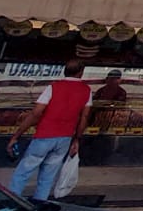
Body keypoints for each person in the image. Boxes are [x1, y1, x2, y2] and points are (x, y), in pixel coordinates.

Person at [7, 59, 92, 200]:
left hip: (44, 135)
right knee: (48, 177)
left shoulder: (53, 87)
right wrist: (77, 139)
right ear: (81, 73)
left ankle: (11, 202)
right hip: (65, 138)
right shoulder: (86, 90)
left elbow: (36, 113)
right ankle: (40, 202)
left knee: (23, 172)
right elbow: (85, 117)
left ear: (64, 71)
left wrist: (16, 135)